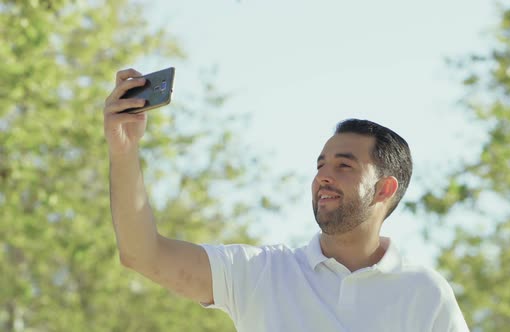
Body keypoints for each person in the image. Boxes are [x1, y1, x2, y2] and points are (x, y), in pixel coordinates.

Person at [105, 68, 470, 332]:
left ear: (384, 189)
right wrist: (124, 151)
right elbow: (142, 254)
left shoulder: (426, 294)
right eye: (320, 165)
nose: (323, 176)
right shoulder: (260, 274)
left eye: (344, 165)